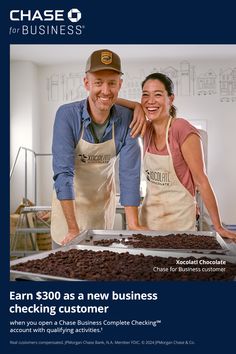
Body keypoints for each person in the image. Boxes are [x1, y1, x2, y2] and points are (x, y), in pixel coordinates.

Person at [117, 72, 236, 241]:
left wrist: (218, 227)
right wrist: (136, 106)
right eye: (145, 95)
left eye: (158, 94)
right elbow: (110, 100)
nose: (150, 101)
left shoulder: (181, 128)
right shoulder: (145, 130)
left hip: (180, 227)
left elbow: (201, 181)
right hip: (148, 226)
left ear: (170, 99)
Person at [51, 49, 146, 248]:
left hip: (101, 210)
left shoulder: (128, 119)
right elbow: (63, 173)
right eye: (98, 82)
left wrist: (134, 225)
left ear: (120, 84)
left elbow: (129, 174)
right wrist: (72, 229)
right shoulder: (67, 116)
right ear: (86, 83)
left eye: (112, 82)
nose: (105, 90)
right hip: (68, 213)